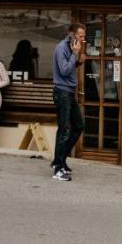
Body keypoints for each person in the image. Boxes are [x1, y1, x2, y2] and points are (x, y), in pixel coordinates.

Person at [51, 23, 85, 181]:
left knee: (78, 126)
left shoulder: (70, 48)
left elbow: (69, 68)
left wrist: (79, 62)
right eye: (80, 36)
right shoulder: (61, 48)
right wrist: (75, 55)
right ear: (71, 34)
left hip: (69, 93)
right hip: (62, 93)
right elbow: (64, 70)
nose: (83, 39)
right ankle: (58, 169)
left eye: (84, 36)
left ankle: (61, 159)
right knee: (64, 129)